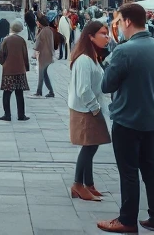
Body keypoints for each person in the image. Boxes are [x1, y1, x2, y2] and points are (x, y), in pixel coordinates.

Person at [97, 3, 154, 234]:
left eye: (118, 22)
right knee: (150, 169)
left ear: (127, 21)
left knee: (128, 172)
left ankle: (127, 220)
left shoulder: (124, 50)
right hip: (151, 117)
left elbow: (107, 84)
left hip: (127, 119)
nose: (117, 26)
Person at [68, 21, 111, 202]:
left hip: (90, 108)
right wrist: (95, 109)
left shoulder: (92, 57)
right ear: (90, 36)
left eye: (107, 33)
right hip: (86, 110)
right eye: (103, 33)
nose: (107, 37)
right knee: (89, 147)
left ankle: (89, 183)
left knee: (92, 146)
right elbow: (83, 89)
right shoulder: (85, 59)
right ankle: (78, 184)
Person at [0, 21, 30, 122]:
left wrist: (4, 63)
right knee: (19, 92)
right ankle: (21, 115)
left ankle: (7, 115)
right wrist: (26, 67)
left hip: (9, 70)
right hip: (20, 69)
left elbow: (1, 55)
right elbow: (25, 55)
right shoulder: (21, 40)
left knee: (7, 93)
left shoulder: (6, 40)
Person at [33, 13, 55, 98]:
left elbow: (38, 43)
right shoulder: (49, 30)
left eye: (38, 22)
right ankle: (51, 91)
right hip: (48, 54)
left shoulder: (43, 31)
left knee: (41, 74)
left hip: (43, 55)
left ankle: (39, 91)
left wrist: (35, 53)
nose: (37, 23)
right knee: (44, 74)